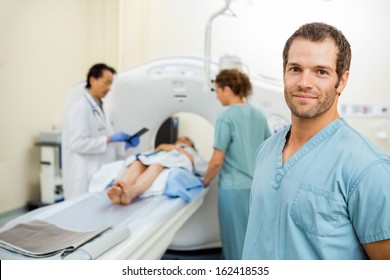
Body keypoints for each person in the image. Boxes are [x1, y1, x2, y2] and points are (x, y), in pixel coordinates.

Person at [242, 22, 390, 260]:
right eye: (295, 69)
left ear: (341, 81)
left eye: (321, 71)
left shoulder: (369, 169)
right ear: (284, 73)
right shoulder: (266, 151)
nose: (304, 82)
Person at [202, 69, 271, 260]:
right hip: (255, 189)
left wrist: (204, 181)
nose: (216, 96)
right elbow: (269, 149)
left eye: (217, 91)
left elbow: (216, 161)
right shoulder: (258, 113)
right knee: (252, 241)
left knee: (234, 242)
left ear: (227, 89)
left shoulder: (226, 117)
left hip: (233, 190)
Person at [63, 63, 139, 200]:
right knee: (82, 211)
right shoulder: (80, 108)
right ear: (92, 80)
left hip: (101, 171)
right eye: (106, 83)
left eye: (111, 84)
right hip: (86, 173)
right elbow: (78, 144)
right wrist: (109, 139)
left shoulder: (102, 108)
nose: (109, 88)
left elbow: (104, 139)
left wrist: (124, 145)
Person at [107, 136, 208, 205]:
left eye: (186, 140)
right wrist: (168, 147)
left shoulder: (190, 151)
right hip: (157, 155)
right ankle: (119, 189)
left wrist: (181, 150)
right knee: (138, 162)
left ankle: (133, 191)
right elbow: (157, 150)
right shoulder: (167, 146)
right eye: (180, 138)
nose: (182, 140)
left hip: (173, 159)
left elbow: (202, 168)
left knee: (157, 165)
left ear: (191, 145)